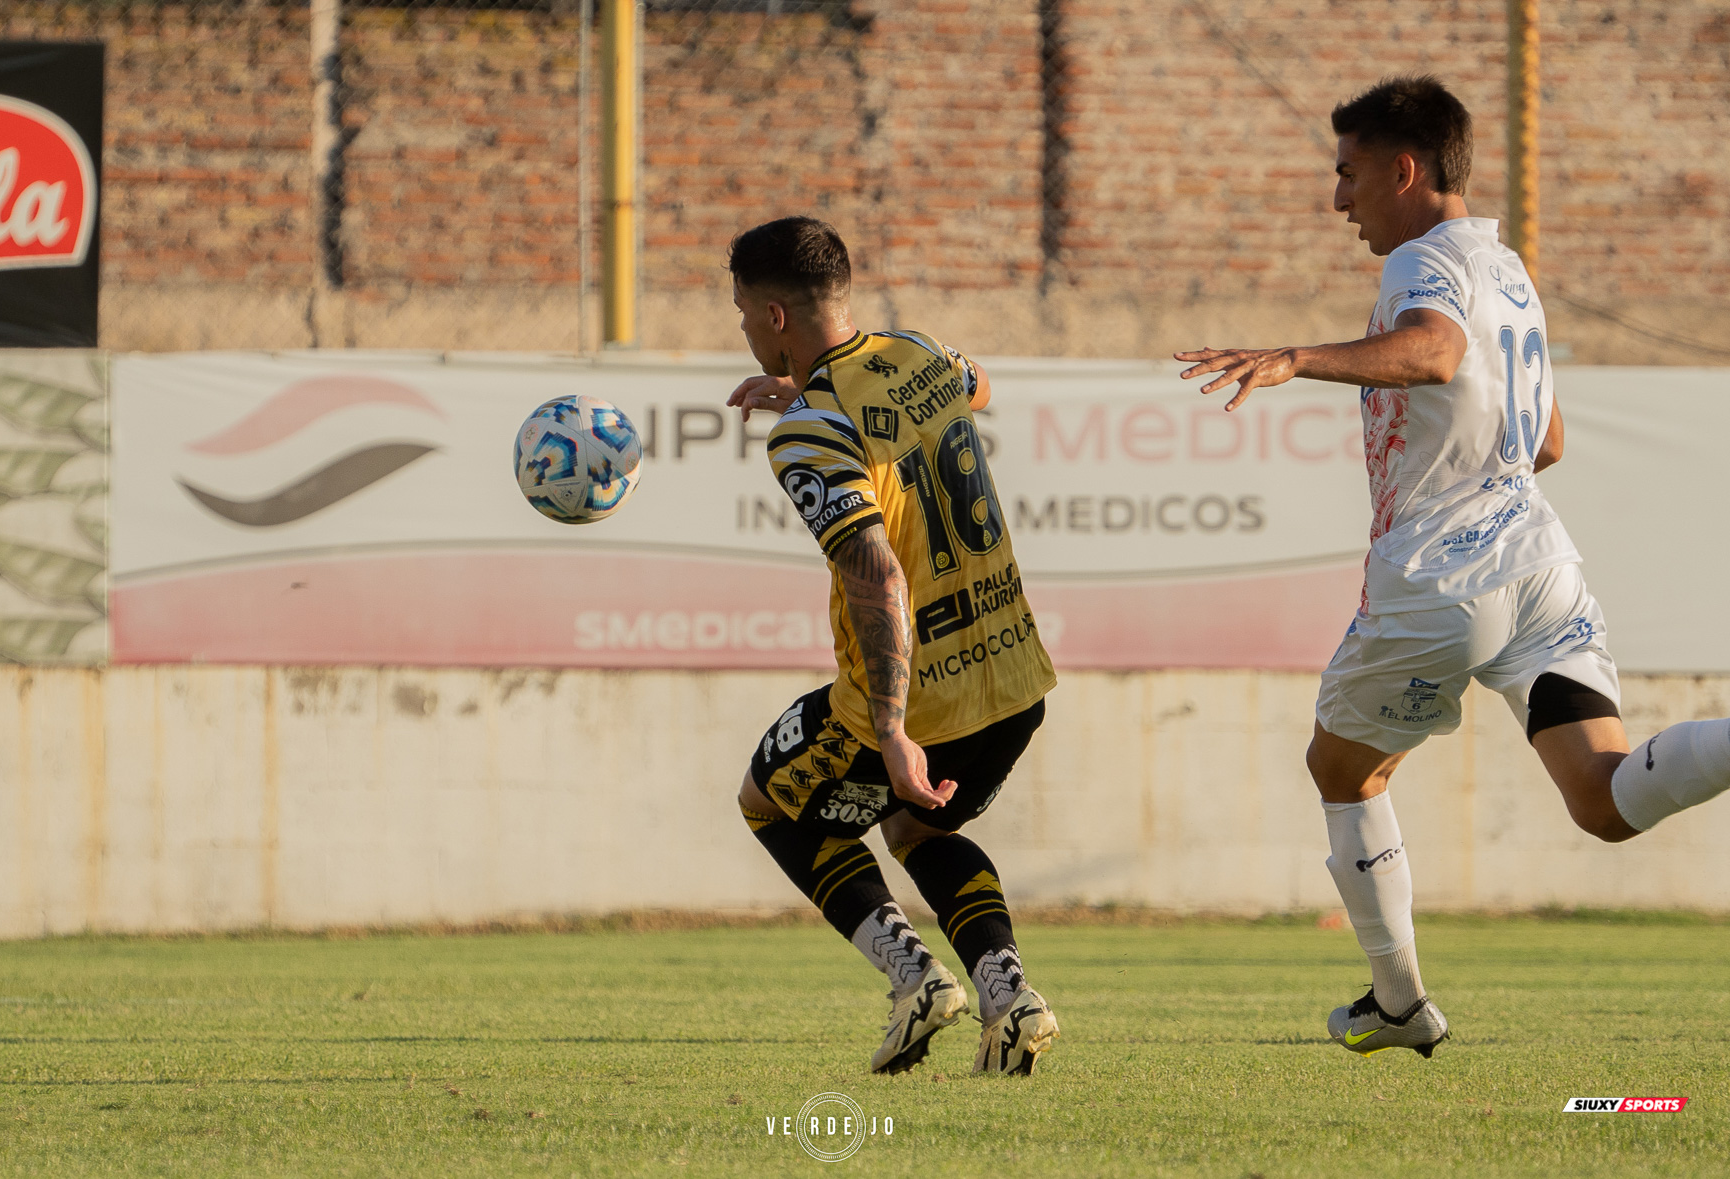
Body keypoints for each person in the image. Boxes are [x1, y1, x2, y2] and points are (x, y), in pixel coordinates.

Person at [1176, 75, 1730, 1058]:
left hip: (1443, 576)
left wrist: (1297, 358)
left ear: (1404, 170)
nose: (1338, 200)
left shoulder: (1424, 261)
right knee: (1604, 801)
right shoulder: (1506, 268)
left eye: (1348, 175)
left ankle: (1398, 1003)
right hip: (1540, 562)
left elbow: (1433, 352)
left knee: (1341, 768)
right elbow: (1547, 439)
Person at [724, 216, 1061, 1075]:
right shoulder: (917, 353)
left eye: (741, 312)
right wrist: (809, 394)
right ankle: (1009, 995)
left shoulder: (811, 430)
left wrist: (890, 727)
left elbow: (877, 573)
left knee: (769, 804)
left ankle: (917, 978)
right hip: (1015, 678)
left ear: (774, 316)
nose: (742, 327)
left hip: (921, 701)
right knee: (916, 829)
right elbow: (980, 385)